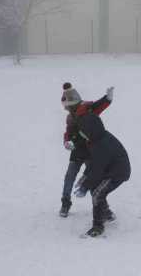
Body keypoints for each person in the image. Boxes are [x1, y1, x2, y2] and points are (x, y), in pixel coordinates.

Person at [69, 90, 130, 238]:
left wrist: (85, 185)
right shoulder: (95, 140)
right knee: (96, 189)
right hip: (109, 169)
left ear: (89, 130)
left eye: (83, 132)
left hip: (118, 172)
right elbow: (93, 166)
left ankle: (98, 226)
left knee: (97, 192)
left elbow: (97, 169)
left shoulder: (100, 145)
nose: (81, 134)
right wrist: (85, 178)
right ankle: (106, 213)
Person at [59, 83, 113, 217]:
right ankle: (65, 203)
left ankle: (104, 209)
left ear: (72, 104)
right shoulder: (70, 117)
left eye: (67, 106)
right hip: (77, 151)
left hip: (91, 151)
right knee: (69, 178)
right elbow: (68, 133)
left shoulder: (88, 110)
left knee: (94, 180)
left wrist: (107, 98)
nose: (65, 109)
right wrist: (67, 142)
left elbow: (99, 105)